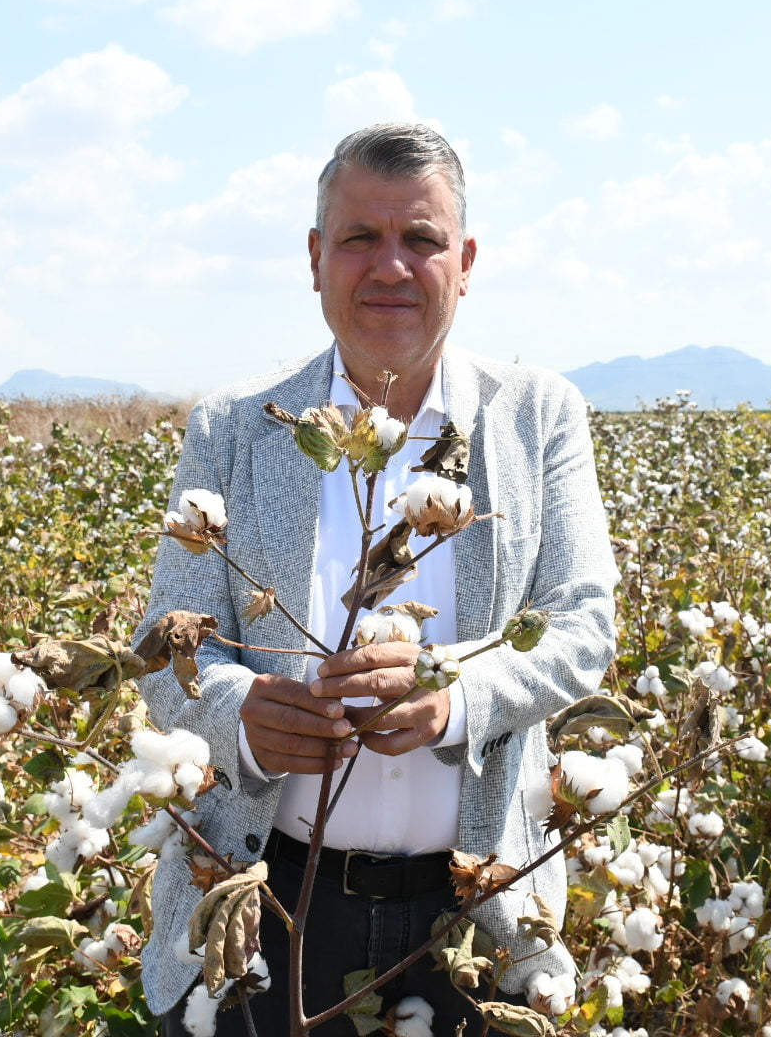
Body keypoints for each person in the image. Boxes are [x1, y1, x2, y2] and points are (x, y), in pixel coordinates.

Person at [137, 122, 618, 1035]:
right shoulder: (232, 429)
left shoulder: (540, 416)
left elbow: (583, 623)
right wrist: (241, 714)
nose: (390, 266)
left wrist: (457, 698)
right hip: (265, 903)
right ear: (317, 259)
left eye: (421, 239)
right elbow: (166, 652)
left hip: (477, 916)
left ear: (464, 261)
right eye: (361, 238)